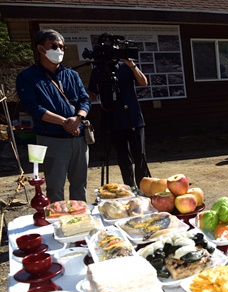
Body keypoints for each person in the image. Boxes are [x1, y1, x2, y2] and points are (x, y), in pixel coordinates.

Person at [16, 29, 91, 203]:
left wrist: (78, 118)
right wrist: (65, 122)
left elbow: (85, 100)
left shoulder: (72, 75)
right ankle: (58, 226)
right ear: (41, 49)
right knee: (55, 188)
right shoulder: (27, 77)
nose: (59, 50)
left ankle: (81, 222)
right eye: (54, 46)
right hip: (52, 139)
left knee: (80, 185)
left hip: (79, 139)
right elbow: (34, 108)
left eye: (62, 47)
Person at [88, 33, 151, 190]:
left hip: (133, 117)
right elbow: (91, 94)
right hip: (113, 118)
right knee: (123, 157)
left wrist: (130, 64)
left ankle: (143, 188)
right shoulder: (97, 70)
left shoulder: (126, 67)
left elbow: (143, 82)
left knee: (140, 155)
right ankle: (130, 188)